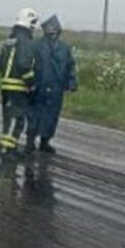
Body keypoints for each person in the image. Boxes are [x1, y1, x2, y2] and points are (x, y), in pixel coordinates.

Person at [0, 7, 39, 172]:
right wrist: (31, 83)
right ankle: (7, 151)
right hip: (18, 87)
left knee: (8, 117)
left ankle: (6, 146)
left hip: (6, 85)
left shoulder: (10, 39)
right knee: (16, 119)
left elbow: (0, 62)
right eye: (34, 23)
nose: (35, 27)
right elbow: (23, 64)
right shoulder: (26, 41)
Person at [25, 15, 77, 154]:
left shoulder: (64, 48)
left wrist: (71, 83)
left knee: (52, 116)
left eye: (55, 29)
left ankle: (45, 141)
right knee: (34, 114)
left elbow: (70, 66)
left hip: (56, 88)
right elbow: (27, 65)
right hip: (38, 86)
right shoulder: (36, 46)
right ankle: (30, 141)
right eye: (50, 30)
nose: (52, 32)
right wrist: (28, 83)